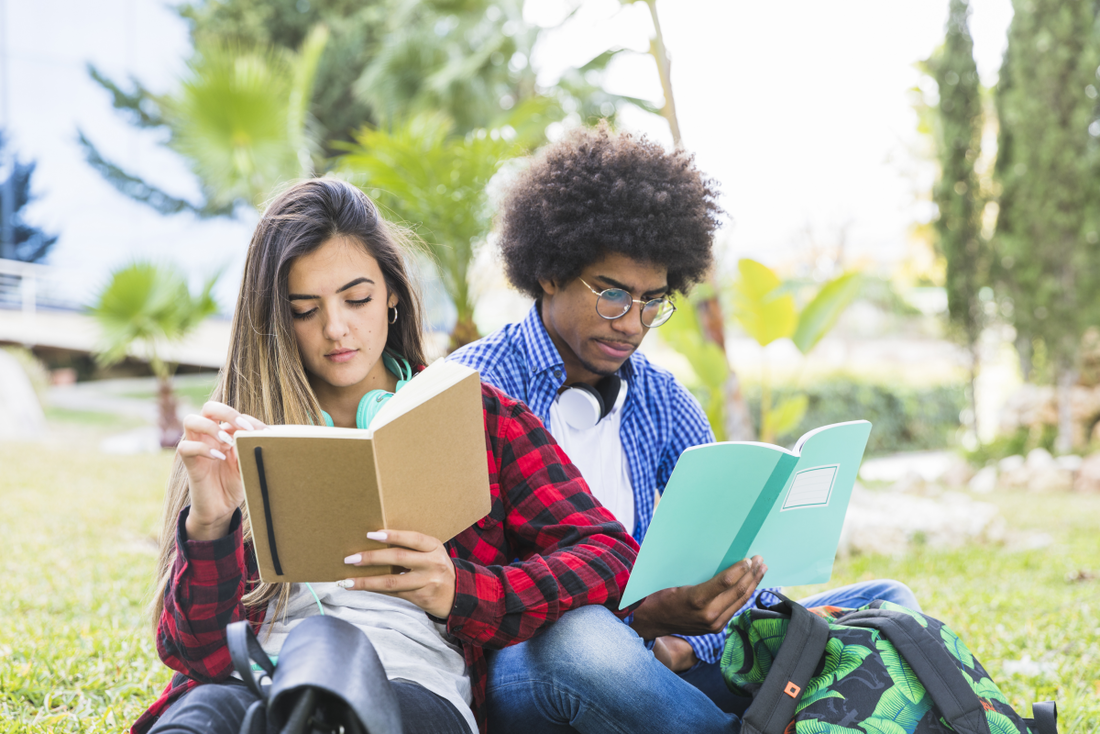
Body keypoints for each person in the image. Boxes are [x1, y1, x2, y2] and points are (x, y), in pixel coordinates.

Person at [449, 123, 920, 732]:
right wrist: (640, 624)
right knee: (586, 640)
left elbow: (726, 553)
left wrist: (683, 640)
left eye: (654, 301)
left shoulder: (661, 399)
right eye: (613, 295)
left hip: (661, 663)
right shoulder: (472, 392)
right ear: (550, 273)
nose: (633, 324)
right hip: (539, 664)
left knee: (886, 603)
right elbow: (467, 596)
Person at [131, 178, 639, 734]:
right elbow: (198, 655)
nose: (336, 329)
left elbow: (610, 554)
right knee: (202, 716)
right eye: (305, 310)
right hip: (256, 678)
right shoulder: (236, 433)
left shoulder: (478, 416)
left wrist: (461, 590)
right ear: (276, 317)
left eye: (357, 300)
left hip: (409, 685)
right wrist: (210, 523)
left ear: (392, 292)